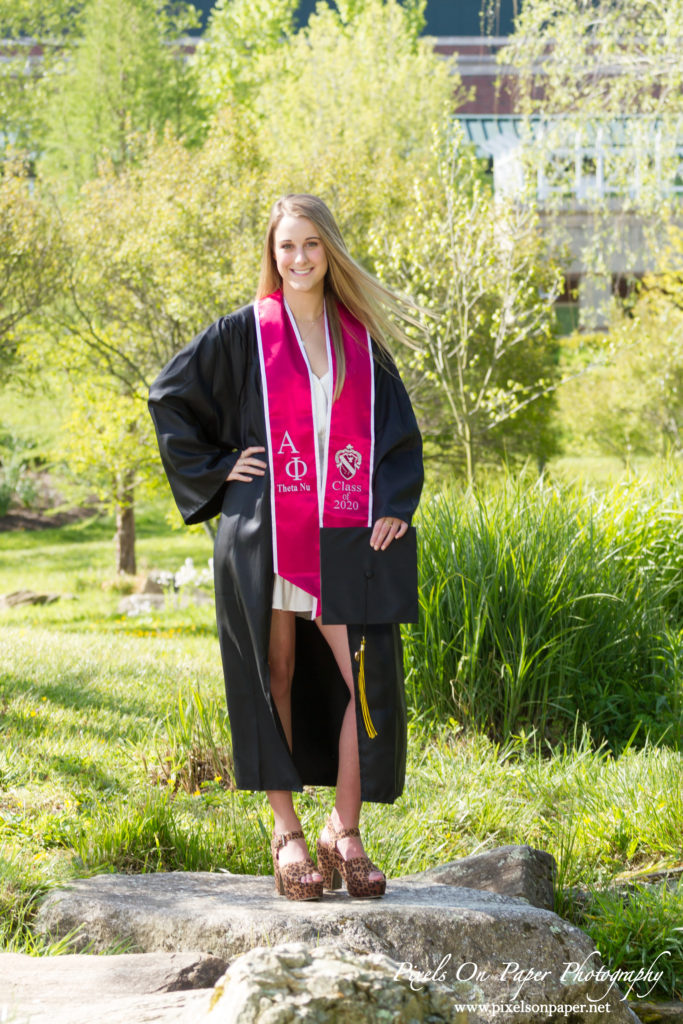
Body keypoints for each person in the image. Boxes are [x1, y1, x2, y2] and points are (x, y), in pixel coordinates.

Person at [148, 194, 423, 902]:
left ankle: (344, 828)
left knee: (361, 680)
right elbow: (169, 398)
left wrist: (393, 506)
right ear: (271, 256)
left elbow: (396, 435)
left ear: (330, 249)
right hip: (268, 530)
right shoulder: (245, 334)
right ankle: (287, 832)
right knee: (272, 670)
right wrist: (218, 470)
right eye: (285, 247)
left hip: (346, 533)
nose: (298, 259)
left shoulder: (360, 340)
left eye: (310, 245)